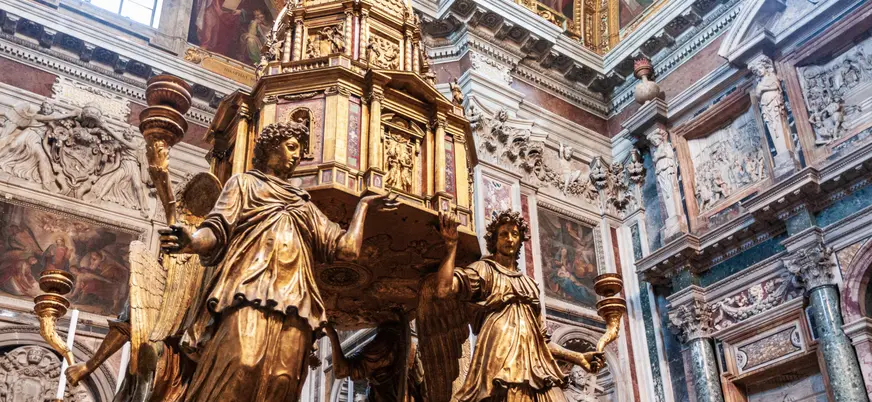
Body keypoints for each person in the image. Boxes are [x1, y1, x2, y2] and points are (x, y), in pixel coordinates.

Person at [159, 121, 399, 402]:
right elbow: (216, 229)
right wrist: (191, 241)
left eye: (300, 150)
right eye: (292, 146)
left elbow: (345, 250)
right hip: (248, 290)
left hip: (297, 302)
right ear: (270, 147)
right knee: (240, 365)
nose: (297, 155)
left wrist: (363, 207)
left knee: (282, 381)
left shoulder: (305, 206)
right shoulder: (245, 184)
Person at [433, 210, 604, 401]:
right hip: (501, 359)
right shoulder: (484, 270)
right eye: (503, 234)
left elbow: (542, 341)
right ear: (494, 240)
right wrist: (451, 247)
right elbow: (443, 290)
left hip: (537, 366)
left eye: (514, 234)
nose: (510, 239)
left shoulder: (529, 285)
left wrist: (577, 357)